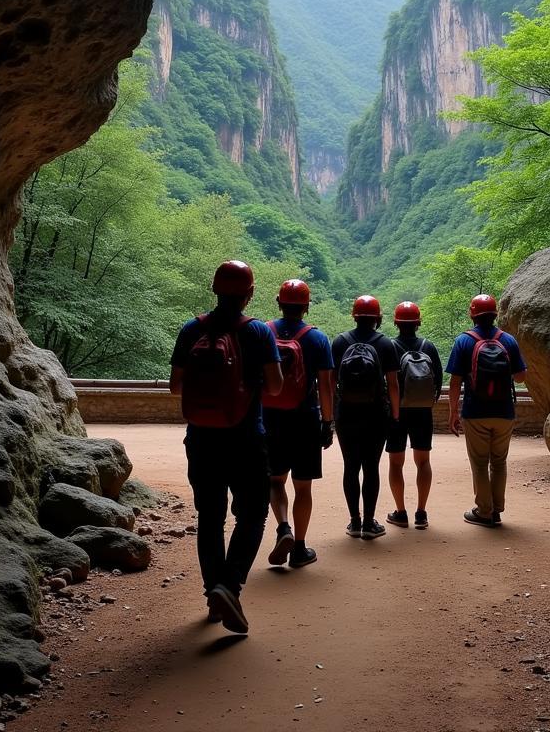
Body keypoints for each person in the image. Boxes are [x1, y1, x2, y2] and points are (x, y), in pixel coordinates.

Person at [169, 260, 282, 634]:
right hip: (247, 437)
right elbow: (277, 387)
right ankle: (229, 585)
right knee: (253, 514)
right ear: (249, 293)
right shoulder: (258, 333)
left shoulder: (192, 329)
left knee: (210, 517)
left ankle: (213, 598)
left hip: (201, 438)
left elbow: (175, 386)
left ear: (214, 290)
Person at [263, 278, 335, 569]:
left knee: (275, 481)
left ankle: (283, 528)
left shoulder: (263, 332)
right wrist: (327, 422)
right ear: (306, 306)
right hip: (305, 419)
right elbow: (326, 386)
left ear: (279, 303)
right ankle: (300, 549)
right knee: (303, 488)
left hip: (270, 418)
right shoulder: (316, 339)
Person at [446, 294, 527, 528]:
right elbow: (521, 376)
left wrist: (453, 412)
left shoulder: (464, 341)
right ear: (495, 315)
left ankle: (484, 511)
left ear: (472, 315)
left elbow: (454, 382)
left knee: (480, 463)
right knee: (499, 462)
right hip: (504, 411)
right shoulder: (508, 340)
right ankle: (497, 510)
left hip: (475, 411)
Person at [331, 296, 400, 540]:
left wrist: (329, 416)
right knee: (371, 467)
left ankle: (354, 522)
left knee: (351, 467)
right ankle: (370, 524)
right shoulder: (385, 345)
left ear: (354, 316)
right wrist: (395, 414)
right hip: (376, 414)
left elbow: (330, 383)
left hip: (346, 414)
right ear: (378, 318)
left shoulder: (339, 342)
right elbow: (392, 384)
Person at [385, 301, 443, 530]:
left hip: (397, 413)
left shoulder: (389, 347)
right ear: (418, 322)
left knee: (396, 463)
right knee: (423, 462)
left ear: (396, 322)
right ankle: (421, 513)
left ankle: (400, 512)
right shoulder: (428, 347)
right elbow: (438, 381)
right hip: (422, 413)